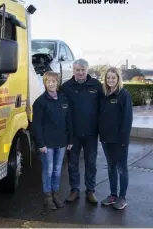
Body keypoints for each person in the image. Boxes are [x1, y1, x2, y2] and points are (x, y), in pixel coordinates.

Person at [60, 59, 103, 204]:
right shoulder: (66, 87)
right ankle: (74, 190)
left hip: (91, 133)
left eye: (83, 70)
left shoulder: (96, 86)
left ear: (87, 70)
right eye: (77, 70)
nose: (80, 73)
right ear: (73, 70)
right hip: (73, 134)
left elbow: (103, 108)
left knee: (91, 162)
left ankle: (90, 191)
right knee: (72, 163)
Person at [32, 71, 73, 210]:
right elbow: (36, 125)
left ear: (57, 83)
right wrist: (40, 143)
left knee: (57, 170)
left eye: (53, 81)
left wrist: (70, 140)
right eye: (48, 81)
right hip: (47, 144)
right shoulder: (40, 102)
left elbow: (69, 121)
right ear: (45, 83)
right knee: (48, 170)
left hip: (61, 142)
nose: (51, 84)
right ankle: (48, 197)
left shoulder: (63, 99)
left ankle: (55, 194)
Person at [99, 67, 133, 210]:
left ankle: (122, 197)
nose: (110, 80)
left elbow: (127, 119)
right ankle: (113, 195)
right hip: (106, 139)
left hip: (119, 140)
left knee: (121, 168)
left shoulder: (124, 95)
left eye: (113, 78)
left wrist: (124, 140)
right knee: (111, 168)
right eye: (108, 78)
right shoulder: (104, 95)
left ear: (118, 79)